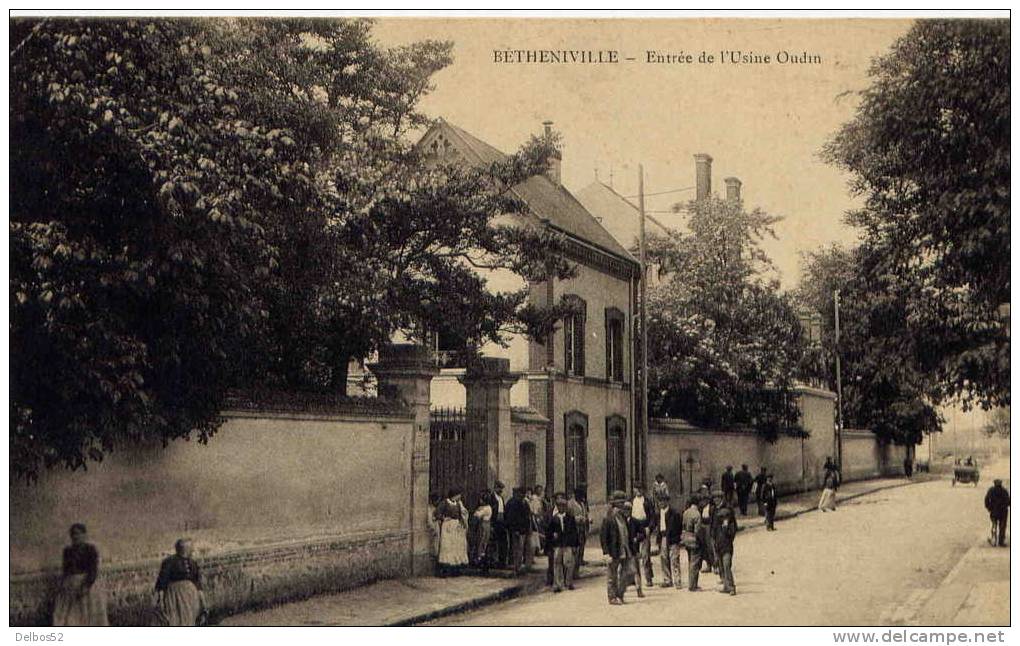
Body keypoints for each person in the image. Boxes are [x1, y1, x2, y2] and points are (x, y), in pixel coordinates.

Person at [52, 523, 108, 626]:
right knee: (70, 615)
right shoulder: (67, 551)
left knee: (89, 613)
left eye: (78, 534)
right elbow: (66, 570)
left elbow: (93, 569)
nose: (75, 537)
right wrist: (64, 585)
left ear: (84, 535)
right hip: (71, 584)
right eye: (73, 534)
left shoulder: (91, 550)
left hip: (88, 583)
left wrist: (85, 586)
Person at [154, 538, 205, 626]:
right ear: (185, 549)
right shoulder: (169, 562)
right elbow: (162, 581)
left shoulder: (192, 563)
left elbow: (197, 583)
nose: (193, 550)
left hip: (191, 596)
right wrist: (161, 599)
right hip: (175, 596)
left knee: (190, 619)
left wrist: (202, 601)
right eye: (191, 548)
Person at [600, 490, 632, 605]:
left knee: (626, 574)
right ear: (615, 505)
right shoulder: (608, 519)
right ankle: (612, 597)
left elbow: (627, 533)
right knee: (612, 576)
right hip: (614, 551)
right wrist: (606, 553)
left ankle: (620, 594)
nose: (623, 506)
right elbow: (603, 537)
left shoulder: (623, 517)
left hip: (625, 550)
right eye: (621, 503)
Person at [649, 493, 684, 589]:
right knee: (664, 558)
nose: (661, 503)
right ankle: (667, 580)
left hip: (672, 538)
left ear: (667, 501)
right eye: (659, 501)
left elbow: (679, 527)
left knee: (674, 559)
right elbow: (654, 524)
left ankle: (677, 580)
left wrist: (677, 538)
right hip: (662, 537)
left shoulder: (674, 513)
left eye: (663, 501)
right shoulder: (657, 514)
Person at [547, 492, 580, 592]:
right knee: (557, 563)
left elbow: (574, 532)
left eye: (563, 506)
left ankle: (569, 582)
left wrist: (575, 545)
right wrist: (550, 544)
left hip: (568, 544)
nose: (561, 508)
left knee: (568, 563)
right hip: (557, 544)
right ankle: (558, 584)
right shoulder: (554, 519)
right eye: (559, 506)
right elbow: (549, 532)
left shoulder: (570, 518)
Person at [435, 488, 469, 576]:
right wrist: (443, 518)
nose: (460, 497)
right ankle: (444, 570)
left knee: (455, 548)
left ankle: (454, 569)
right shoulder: (444, 503)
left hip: (455, 527)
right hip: (447, 527)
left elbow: (461, 515)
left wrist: (462, 523)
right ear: (454, 495)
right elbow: (437, 513)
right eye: (458, 495)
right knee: (447, 547)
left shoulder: (458, 504)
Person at [630, 484, 655, 587]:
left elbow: (653, 517)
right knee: (634, 555)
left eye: (641, 489)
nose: (639, 491)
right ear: (634, 490)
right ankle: (634, 579)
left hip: (644, 527)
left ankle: (648, 578)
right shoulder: (632, 501)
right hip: (634, 529)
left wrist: (649, 527)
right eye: (637, 489)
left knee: (645, 556)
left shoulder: (647, 502)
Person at [505, 487, 533, 576]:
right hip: (517, 530)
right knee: (517, 549)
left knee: (522, 549)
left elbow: (528, 515)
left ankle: (520, 567)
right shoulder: (513, 503)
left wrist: (529, 528)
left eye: (523, 494)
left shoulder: (525, 503)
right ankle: (516, 567)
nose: (522, 495)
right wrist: (515, 529)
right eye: (521, 494)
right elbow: (511, 518)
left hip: (524, 530)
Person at [621, 502, 646, 598]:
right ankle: (622, 590)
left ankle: (639, 589)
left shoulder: (635, 522)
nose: (626, 512)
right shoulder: (621, 522)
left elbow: (643, 534)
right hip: (623, 550)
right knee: (622, 570)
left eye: (628, 509)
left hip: (633, 549)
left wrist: (637, 538)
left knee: (636, 570)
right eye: (625, 510)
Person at [714, 502, 739, 595]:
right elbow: (714, 535)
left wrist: (726, 527)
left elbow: (731, 534)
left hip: (727, 548)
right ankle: (726, 586)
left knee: (726, 566)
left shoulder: (730, 525)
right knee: (722, 568)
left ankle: (731, 587)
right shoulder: (717, 526)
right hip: (719, 547)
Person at [681, 497, 703, 591]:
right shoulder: (697, 514)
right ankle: (692, 585)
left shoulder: (686, 512)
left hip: (686, 537)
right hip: (694, 538)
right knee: (695, 563)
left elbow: (683, 525)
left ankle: (692, 583)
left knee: (690, 561)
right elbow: (697, 530)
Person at [567, 487, 589, 577]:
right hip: (574, 530)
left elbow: (585, 514)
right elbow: (568, 517)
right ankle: (571, 572)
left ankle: (576, 571)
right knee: (574, 552)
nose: (582, 498)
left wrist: (587, 519)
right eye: (580, 496)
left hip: (582, 530)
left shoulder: (582, 504)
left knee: (580, 550)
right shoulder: (570, 504)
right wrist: (578, 519)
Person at [471, 491, 494, 570]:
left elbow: (476, 515)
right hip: (487, 524)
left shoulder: (485, 508)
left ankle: (480, 561)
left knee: (481, 541)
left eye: (481, 499)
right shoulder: (489, 507)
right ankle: (481, 560)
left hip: (483, 525)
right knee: (483, 542)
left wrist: (477, 510)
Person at [984, 479, 1010, 547]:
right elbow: (1008, 501)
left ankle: (994, 540)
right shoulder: (1004, 491)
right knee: (1002, 527)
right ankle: (1001, 542)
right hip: (1003, 512)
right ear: (1001, 484)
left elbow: (986, 500)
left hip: (994, 511)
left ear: (994, 484)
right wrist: (1005, 506)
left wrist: (989, 508)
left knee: (994, 525)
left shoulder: (991, 490)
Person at [698, 488, 718, 573]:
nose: (703, 502)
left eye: (705, 500)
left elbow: (713, 519)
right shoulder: (701, 508)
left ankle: (715, 566)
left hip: (709, 527)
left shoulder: (712, 508)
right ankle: (708, 565)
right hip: (703, 527)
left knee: (711, 547)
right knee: (704, 548)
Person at [491, 481, 509, 568]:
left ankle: (502, 562)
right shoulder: (492, 498)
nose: (501, 490)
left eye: (502, 489)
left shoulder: (501, 498)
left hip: (502, 523)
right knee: (494, 543)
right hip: (495, 522)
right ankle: (494, 561)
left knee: (503, 542)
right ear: (495, 488)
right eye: (499, 488)